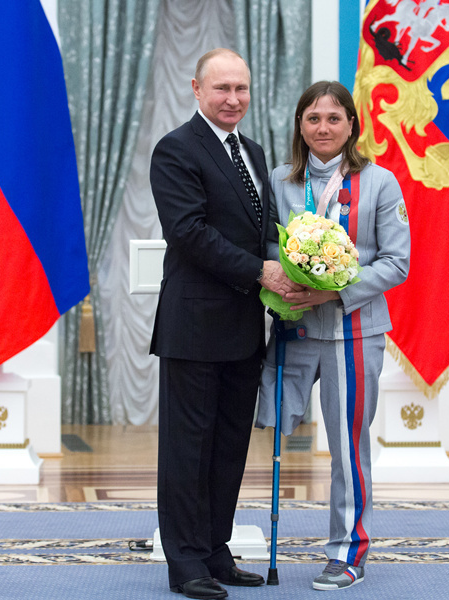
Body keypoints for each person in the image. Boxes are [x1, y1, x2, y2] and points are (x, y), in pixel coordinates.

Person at [149, 48, 302, 600]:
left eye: (241, 88)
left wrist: (296, 271)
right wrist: (262, 271)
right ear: (197, 89)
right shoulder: (176, 149)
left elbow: (260, 231)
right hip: (193, 328)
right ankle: (185, 561)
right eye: (221, 89)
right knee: (188, 451)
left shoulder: (253, 152)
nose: (233, 99)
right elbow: (189, 233)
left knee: (229, 447)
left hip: (243, 327)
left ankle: (216, 550)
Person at [256, 81, 410, 591]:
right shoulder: (279, 180)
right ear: (300, 126)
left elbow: (397, 262)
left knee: (346, 446)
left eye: (333, 118)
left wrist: (333, 290)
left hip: (354, 333)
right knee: (269, 423)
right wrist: (287, 277)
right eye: (313, 118)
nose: (323, 128)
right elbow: (265, 245)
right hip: (294, 330)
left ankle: (347, 554)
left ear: (351, 125)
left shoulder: (381, 183)